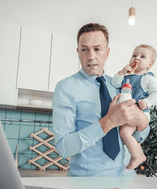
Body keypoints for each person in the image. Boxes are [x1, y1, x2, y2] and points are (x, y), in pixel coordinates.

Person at [52, 23, 150, 176]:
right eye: (84, 49)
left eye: (97, 49)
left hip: (126, 178)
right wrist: (108, 122)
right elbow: (64, 148)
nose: (91, 56)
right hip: (88, 183)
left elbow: (135, 135)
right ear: (78, 52)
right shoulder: (66, 88)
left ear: (107, 52)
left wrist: (143, 124)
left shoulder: (121, 85)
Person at [111, 44, 157, 169]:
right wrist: (122, 72)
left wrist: (147, 102)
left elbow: (156, 93)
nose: (137, 58)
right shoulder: (126, 77)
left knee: (124, 133)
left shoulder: (147, 78)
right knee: (124, 134)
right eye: (134, 55)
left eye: (142, 56)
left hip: (140, 112)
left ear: (150, 65)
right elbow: (114, 83)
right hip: (128, 113)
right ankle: (138, 155)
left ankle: (137, 156)